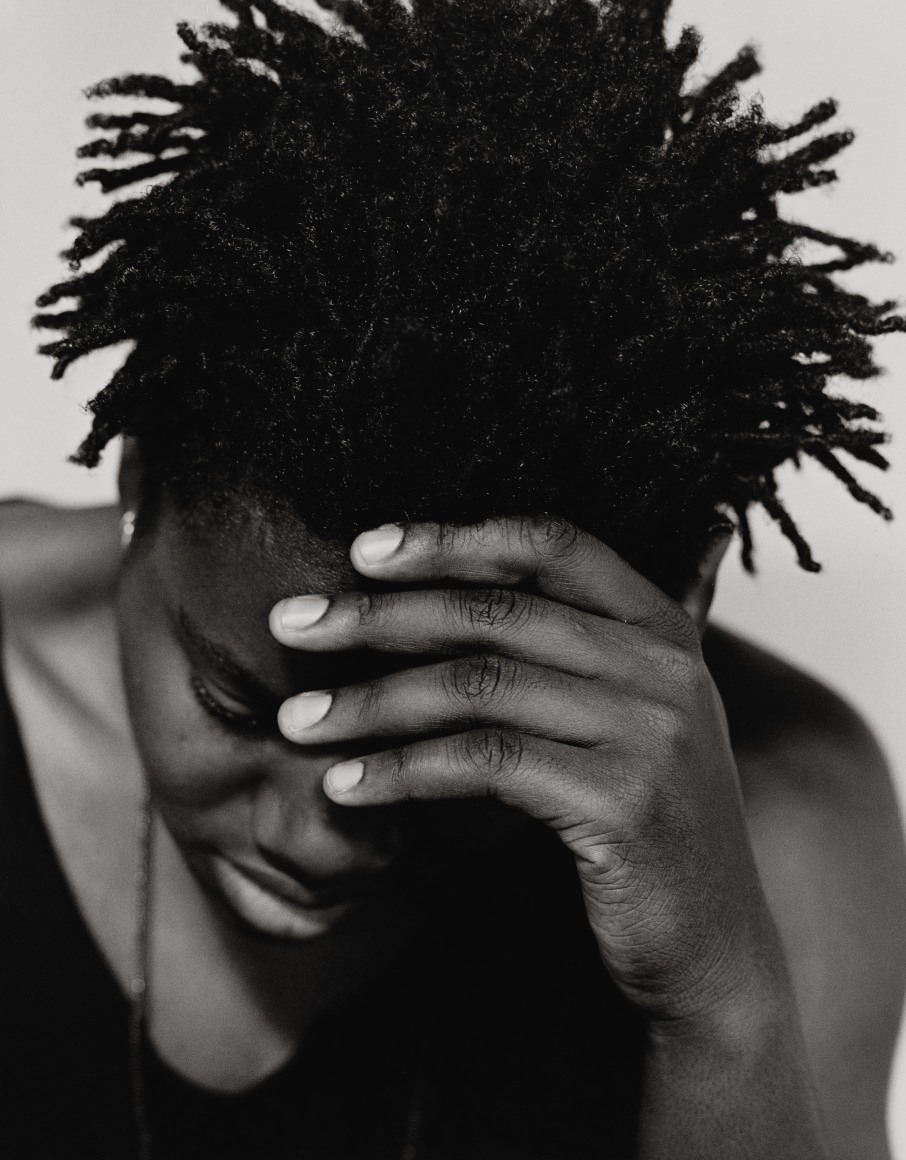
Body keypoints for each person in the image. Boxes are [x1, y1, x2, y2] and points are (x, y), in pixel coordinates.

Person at [2, 0, 905, 1156]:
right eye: (235, 701)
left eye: (452, 745)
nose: (317, 838)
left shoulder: (789, 820)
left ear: (680, 597)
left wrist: (718, 1009)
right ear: (138, 477)